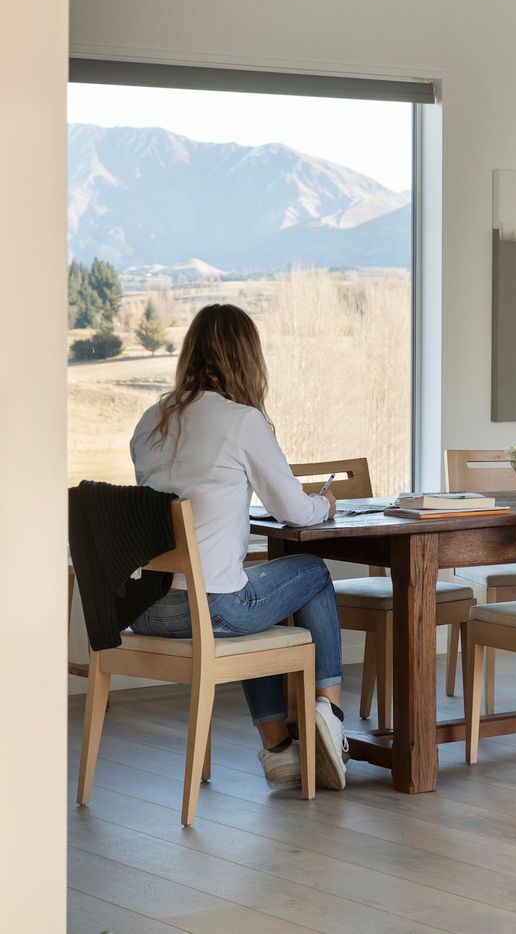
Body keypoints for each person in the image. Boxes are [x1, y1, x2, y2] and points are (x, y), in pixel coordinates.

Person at [129, 303, 349, 791]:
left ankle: (280, 749)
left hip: (145, 607)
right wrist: (326, 504)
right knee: (311, 570)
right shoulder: (240, 421)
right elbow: (294, 510)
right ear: (247, 359)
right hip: (206, 607)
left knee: (249, 587)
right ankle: (330, 714)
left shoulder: (150, 420)